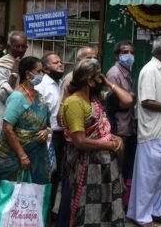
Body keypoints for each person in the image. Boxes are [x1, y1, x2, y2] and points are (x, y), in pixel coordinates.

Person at [63, 58, 132, 226]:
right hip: (87, 165)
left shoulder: (95, 98)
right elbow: (80, 141)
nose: (101, 81)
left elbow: (128, 100)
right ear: (89, 81)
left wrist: (109, 83)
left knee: (109, 204)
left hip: (106, 165)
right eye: (98, 78)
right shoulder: (75, 103)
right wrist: (109, 144)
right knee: (88, 208)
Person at [127, 37, 161, 227]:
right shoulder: (150, 70)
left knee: (156, 177)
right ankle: (142, 217)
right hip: (154, 132)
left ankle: (152, 212)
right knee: (148, 177)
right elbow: (147, 102)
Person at [0, 56, 51, 185]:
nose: (42, 75)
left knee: (35, 193)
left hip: (37, 154)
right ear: (28, 74)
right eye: (39, 71)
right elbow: (7, 128)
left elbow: (45, 123)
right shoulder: (18, 97)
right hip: (16, 156)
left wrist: (46, 132)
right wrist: (22, 155)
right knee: (13, 194)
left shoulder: (39, 97)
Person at [106, 41, 136, 208]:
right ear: (117, 55)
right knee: (117, 166)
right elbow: (117, 103)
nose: (129, 56)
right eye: (125, 52)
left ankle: (120, 203)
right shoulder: (114, 73)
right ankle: (114, 205)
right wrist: (132, 98)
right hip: (119, 126)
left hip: (127, 125)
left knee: (124, 167)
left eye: (131, 52)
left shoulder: (127, 71)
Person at [34, 51, 65, 215]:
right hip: (47, 137)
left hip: (62, 136)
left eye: (60, 62)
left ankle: (48, 208)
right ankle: (39, 212)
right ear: (45, 69)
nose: (60, 64)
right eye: (55, 63)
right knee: (45, 175)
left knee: (56, 176)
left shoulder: (61, 84)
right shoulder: (41, 87)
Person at [0, 31, 27, 137]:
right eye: (17, 46)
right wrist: (13, 74)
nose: (21, 50)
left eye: (24, 47)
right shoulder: (1, 65)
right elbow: (2, 95)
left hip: (20, 121)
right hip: (2, 118)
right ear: (9, 46)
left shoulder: (24, 63)